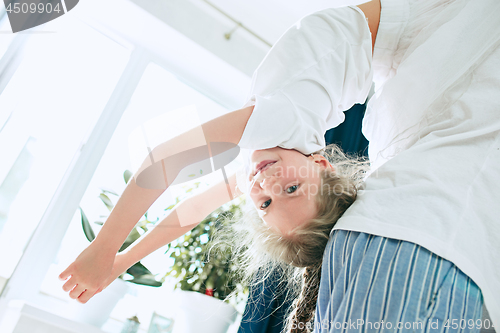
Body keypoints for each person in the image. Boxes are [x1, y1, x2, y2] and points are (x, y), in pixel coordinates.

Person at [59, 0, 500, 331]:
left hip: (385, 43)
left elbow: (189, 213)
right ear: (323, 164)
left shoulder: (269, 158)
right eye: (292, 190)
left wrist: (123, 260)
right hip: (376, 32)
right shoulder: (286, 126)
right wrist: (103, 248)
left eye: (266, 203)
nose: (266, 184)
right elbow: (165, 158)